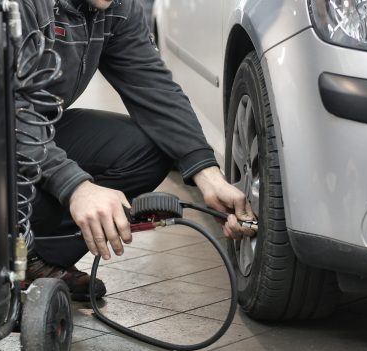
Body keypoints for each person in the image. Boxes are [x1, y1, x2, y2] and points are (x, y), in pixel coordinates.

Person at [16, 0, 255, 301]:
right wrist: (75, 187)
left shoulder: (115, 7)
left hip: (32, 128)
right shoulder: (19, 6)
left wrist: (210, 177)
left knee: (148, 149)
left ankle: (34, 258)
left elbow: (153, 87)